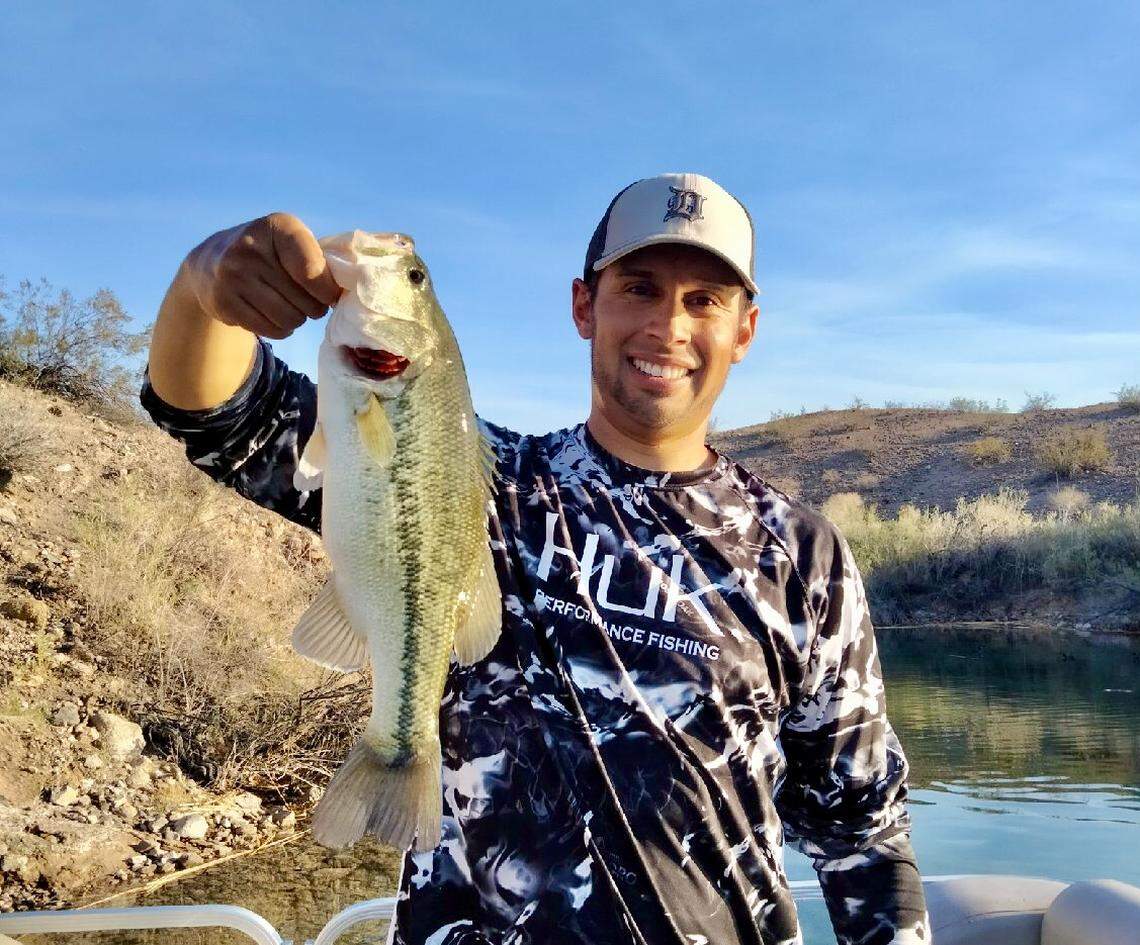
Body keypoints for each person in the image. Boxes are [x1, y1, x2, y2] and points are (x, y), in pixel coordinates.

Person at [142, 173, 929, 945]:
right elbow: (218, 415)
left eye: (704, 301)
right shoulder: (477, 480)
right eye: (640, 288)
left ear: (744, 330)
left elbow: (862, 830)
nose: (669, 325)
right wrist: (201, 286)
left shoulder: (803, 554)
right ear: (585, 306)